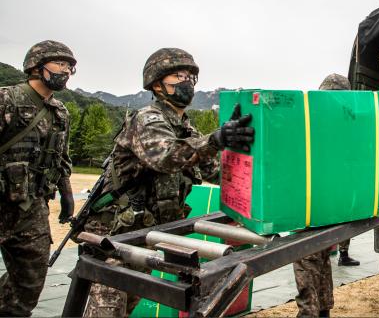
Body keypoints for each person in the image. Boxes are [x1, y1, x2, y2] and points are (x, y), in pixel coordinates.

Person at [82, 48, 254, 317]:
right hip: (114, 236)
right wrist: (216, 139)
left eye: (190, 76)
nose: (187, 81)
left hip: (146, 233)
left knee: (128, 304)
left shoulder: (186, 128)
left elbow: (214, 170)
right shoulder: (147, 119)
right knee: (108, 309)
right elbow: (164, 156)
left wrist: (253, 172)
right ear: (157, 83)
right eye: (178, 75)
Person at [0, 40, 77, 317]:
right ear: (36, 66)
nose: (66, 71)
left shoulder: (60, 112)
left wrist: (67, 194)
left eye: (70, 66)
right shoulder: (6, 99)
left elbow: (61, 158)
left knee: (29, 282)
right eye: (60, 63)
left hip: (31, 209)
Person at [293, 73, 353, 317]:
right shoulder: (347, 125)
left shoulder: (312, 124)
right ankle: (323, 310)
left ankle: (311, 312)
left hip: (312, 207)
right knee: (319, 259)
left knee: (309, 260)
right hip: (329, 206)